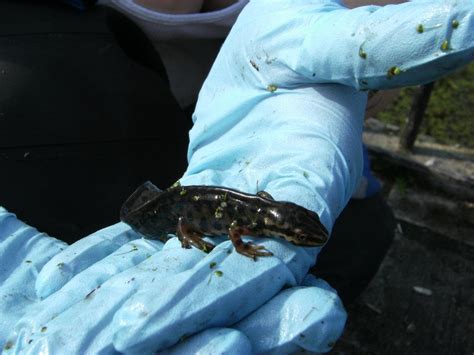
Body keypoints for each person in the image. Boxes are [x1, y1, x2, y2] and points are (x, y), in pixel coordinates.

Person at [1, 0, 473, 353]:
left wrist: (346, 80)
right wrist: (233, 245)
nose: (299, 235)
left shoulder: (266, 204)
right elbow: (234, 226)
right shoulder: (249, 222)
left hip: (200, 138)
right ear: (276, 223)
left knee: (363, 231)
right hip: (83, 97)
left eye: (298, 230)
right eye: (296, 232)